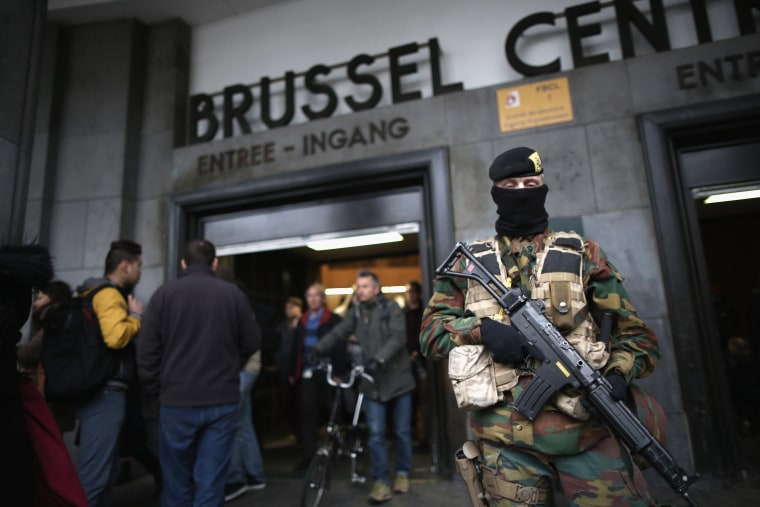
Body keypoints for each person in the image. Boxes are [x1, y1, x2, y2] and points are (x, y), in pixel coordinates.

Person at [419, 147, 662, 506]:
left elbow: (638, 338)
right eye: (511, 184)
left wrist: (617, 376)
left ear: (543, 187)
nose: (521, 191)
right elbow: (429, 334)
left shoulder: (584, 254)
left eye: (530, 183)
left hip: (586, 434)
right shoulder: (469, 265)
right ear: (496, 192)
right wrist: (481, 331)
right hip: (506, 447)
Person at [137, 239, 260, 507]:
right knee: (211, 483)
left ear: (183, 263)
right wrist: (229, 364)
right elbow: (252, 342)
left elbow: (146, 354)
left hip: (176, 401)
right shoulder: (233, 294)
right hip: (221, 400)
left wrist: (160, 389)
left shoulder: (163, 295)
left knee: (176, 484)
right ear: (214, 263)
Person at [312, 270, 415, 504]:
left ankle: (402, 474)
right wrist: (318, 348)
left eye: (366, 286)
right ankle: (380, 482)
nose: (361, 290)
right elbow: (339, 332)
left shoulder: (392, 309)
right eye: (359, 287)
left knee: (401, 432)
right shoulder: (356, 312)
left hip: (398, 380)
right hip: (372, 383)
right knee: (376, 434)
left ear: (376, 288)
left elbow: (398, 338)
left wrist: (378, 360)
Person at [1, 244, 87, 507]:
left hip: (46, 395)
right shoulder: (62, 317)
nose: (37, 300)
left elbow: (29, 353)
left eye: (41, 296)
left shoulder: (53, 322)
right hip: (36, 398)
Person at [75, 239, 144, 507]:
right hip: (106, 392)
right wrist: (136, 317)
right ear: (124, 266)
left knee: (106, 473)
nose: (139, 272)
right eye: (138, 266)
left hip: (103, 390)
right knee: (95, 477)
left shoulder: (92, 293)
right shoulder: (109, 294)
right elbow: (116, 337)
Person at [215, 269, 267, 502]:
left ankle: (236, 479)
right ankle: (256, 475)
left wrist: (229, 365)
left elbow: (245, 342)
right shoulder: (239, 300)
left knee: (231, 423)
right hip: (249, 368)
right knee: (243, 424)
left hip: (242, 369)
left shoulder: (233, 301)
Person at [286, 283, 343, 472]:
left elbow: (339, 346)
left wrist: (338, 372)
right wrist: (292, 372)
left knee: (332, 413)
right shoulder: (302, 321)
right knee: (308, 414)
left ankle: (335, 454)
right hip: (308, 373)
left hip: (327, 373)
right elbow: (296, 348)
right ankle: (309, 457)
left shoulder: (333, 320)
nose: (312, 299)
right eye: (309, 296)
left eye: (315, 295)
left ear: (322, 299)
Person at [404, 280, 429, 450]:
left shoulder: (425, 313)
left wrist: (417, 353)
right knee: (408, 402)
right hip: (405, 365)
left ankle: (423, 438)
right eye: (408, 292)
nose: (410, 295)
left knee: (423, 401)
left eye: (413, 291)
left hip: (423, 363)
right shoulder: (402, 315)